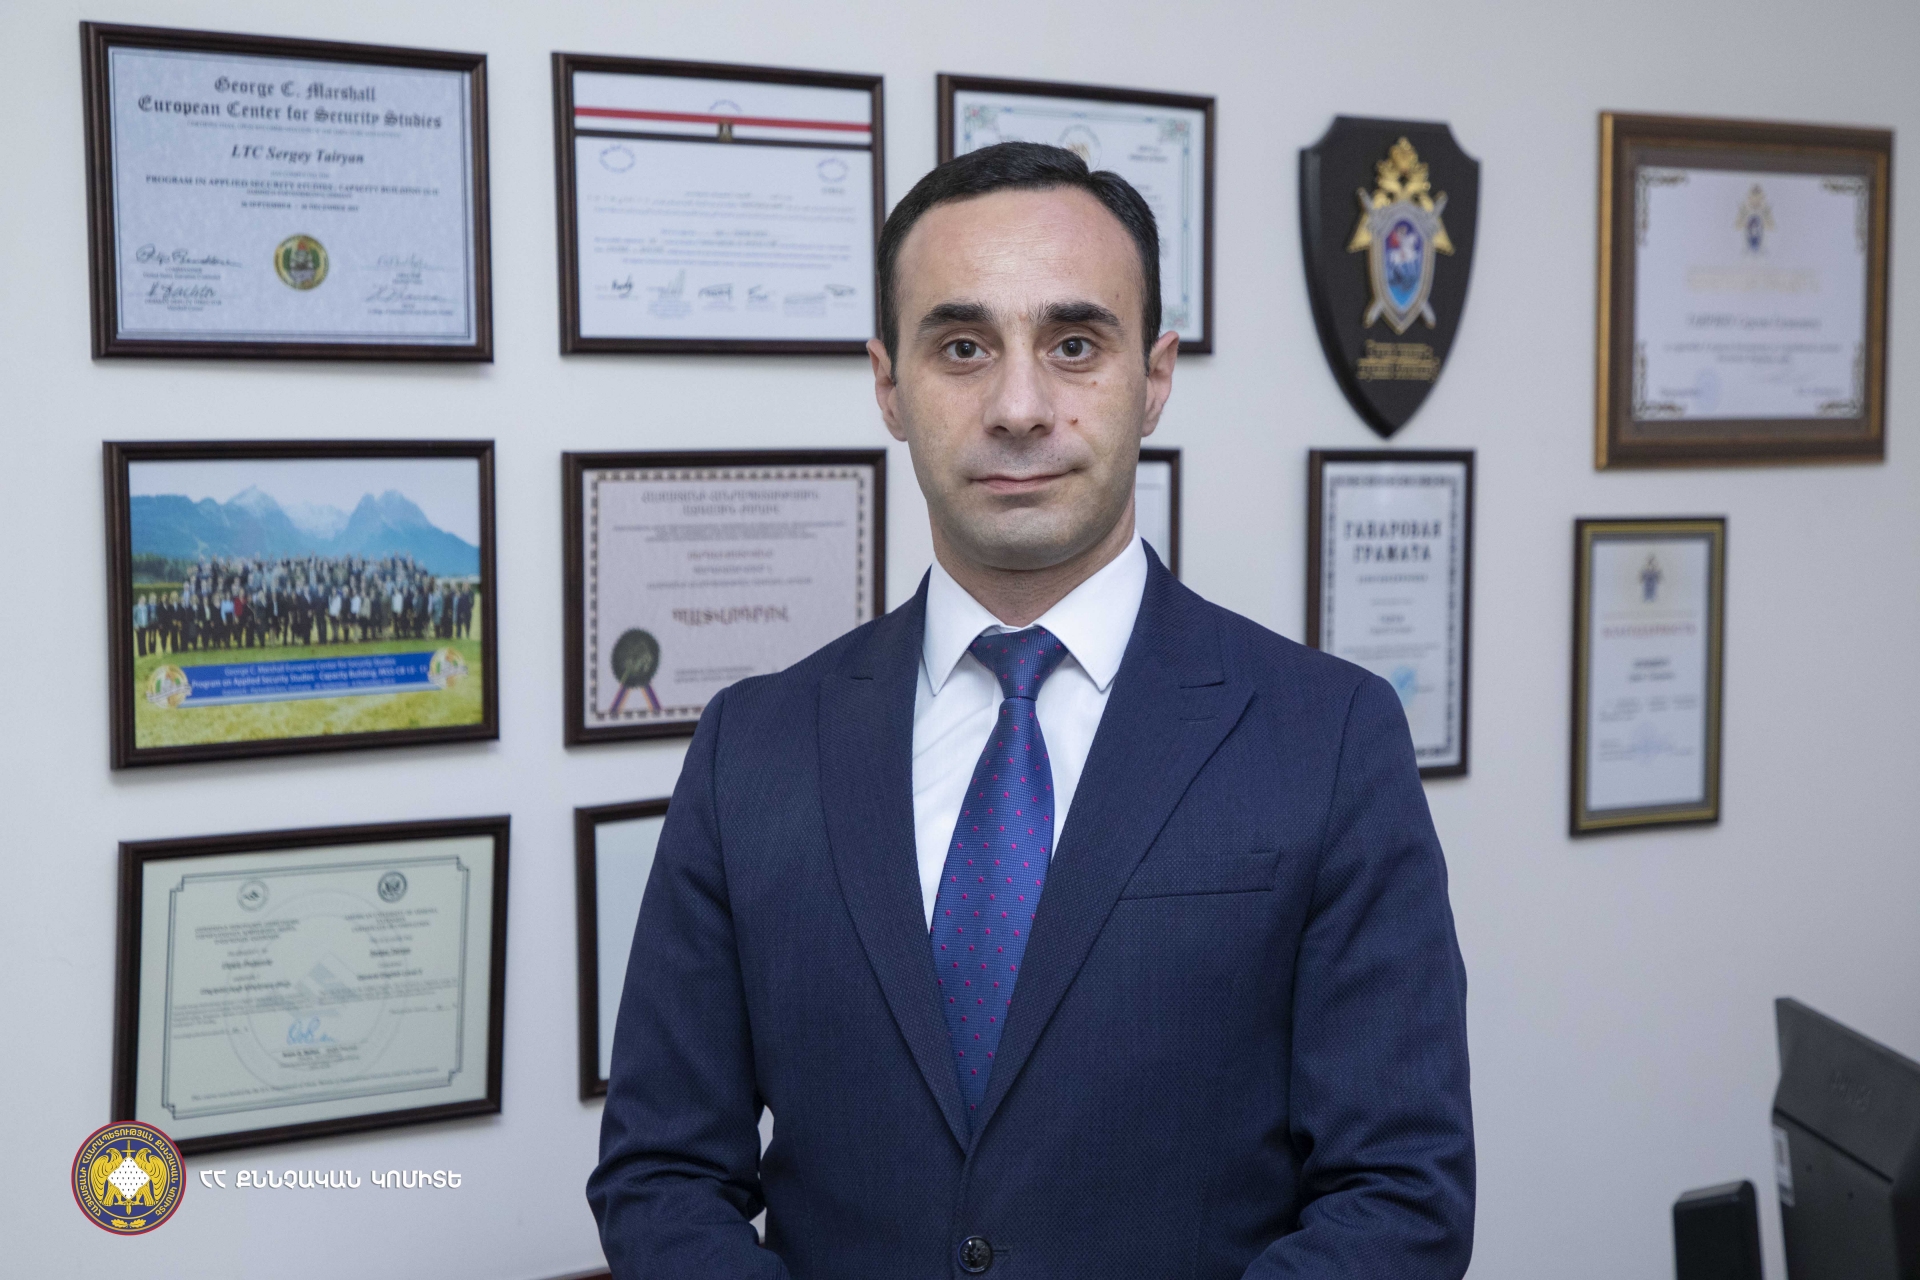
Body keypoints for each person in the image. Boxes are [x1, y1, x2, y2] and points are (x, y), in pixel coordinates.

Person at [588, 142, 1473, 1280]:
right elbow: (661, 1173)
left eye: (1074, 344)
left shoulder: (1329, 736)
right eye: (963, 347)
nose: (1018, 407)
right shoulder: (752, 747)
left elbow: (1400, 1195)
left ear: (1154, 377)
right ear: (889, 385)